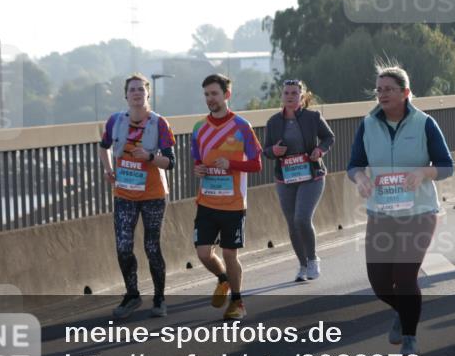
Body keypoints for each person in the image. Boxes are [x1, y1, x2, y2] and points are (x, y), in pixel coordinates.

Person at [347, 65, 454, 355]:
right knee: (379, 283)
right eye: (379, 90)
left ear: (405, 92)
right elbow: (354, 164)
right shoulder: (368, 124)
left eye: (389, 89)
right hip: (380, 212)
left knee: (405, 277)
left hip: (419, 212)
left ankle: (409, 337)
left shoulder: (424, 123)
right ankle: (404, 310)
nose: (382, 94)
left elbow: (446, 166)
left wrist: (423, 172)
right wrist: (361, 178)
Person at [98, 74, 176, 319]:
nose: (136, 93)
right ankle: (132, 295)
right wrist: (108, 170)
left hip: (153, 194)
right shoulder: (115, 121)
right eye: (132, 90)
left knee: (151, 247)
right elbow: (103, 146)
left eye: (141, 89)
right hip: (124, 193)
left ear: (148, 94)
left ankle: (159, 298)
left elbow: (170, 162)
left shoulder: (159, 123)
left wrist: (150, 157)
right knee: (123, 247)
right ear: (125, 95)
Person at [191, 74, 262, 320]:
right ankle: (223, 279)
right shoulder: (199, 128)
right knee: (203, 253)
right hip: (207, 201)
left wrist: (231, 164)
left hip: (233, 204)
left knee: (230, 254)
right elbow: (198, 160)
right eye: (206, 94)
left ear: (226, 95)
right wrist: (198, 169)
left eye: (214, 94)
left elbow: (256, 164)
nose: (210, 99)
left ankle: (238, 302)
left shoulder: (242, 126)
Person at [263, 79, 335, 282]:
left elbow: (329, 137)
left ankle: (312, 259)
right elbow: (266, 150)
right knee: (292, 224)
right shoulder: (273, 122)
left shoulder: (313, 117)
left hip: (311, 175)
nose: (290, 96)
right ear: (282, 96)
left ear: (301, 96)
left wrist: (319, 150)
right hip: (286, 178)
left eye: (294, 93)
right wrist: (274, 151)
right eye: (286, 93)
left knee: (301, 218)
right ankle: (302, 265)